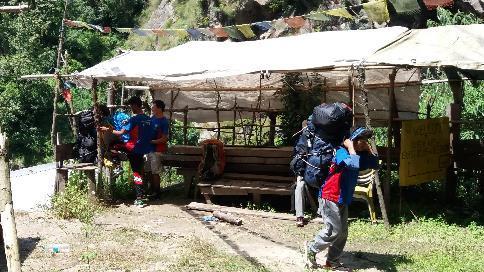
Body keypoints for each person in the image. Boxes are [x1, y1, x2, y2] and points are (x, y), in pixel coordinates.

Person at [305, 127, 378, 271]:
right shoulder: (340, 152)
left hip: (342, 198)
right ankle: (311, 249)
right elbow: (352, 164)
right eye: (360, 140)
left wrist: (368, 149)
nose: (362, 143)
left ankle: (332, 261)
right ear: (351, 141)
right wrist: (350, 147)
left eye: (364, 141)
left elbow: (374, 164)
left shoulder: (357, 154)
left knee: (343, 232)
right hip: (329, 196)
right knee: (333, 230)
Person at [100, 96, 153, 207]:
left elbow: (121, 133)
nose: (131, 109)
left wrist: (107, 130)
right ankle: (142, 194)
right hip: (143, 148)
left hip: (133, 148)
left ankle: (139, 198)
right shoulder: (148, 119)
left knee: (136, 172)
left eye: (131, 106)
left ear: (134, 105)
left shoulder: (133, 119)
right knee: (139, 171)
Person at [145, 100, 169, 199]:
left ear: (159, 108)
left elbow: (165, 138)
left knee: (155, 172)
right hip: (149, 149)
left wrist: (152, 141)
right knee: (149, 171)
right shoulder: (151, 118)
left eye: (153, 106)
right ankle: (151, 190)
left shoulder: (164, 121)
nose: (152, 108)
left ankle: (157, 192)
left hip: (157, 150)